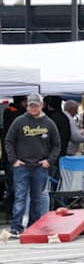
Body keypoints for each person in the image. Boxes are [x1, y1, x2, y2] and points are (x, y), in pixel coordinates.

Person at [4, 93, 61, 236]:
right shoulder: (19, 121)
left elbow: (57, 145)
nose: (33, 108)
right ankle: (16, 227)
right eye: (31, 105)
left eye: (36, 105)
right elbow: (8, 141)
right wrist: (14, 160)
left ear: (41, 105)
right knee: (20, 197)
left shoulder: (49, 123)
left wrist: (49, 161)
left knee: (37, 198)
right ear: (27, 106)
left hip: (40, 167)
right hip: (22, 166)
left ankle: (33, 226)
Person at [1, 95, 27, 223]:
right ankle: (13, 214)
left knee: (15, 188)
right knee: (15, 188)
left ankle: (12, 213)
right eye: (24, 102)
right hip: (14, 157)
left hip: (14, 157)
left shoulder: (9, 112)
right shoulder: (14, 114)